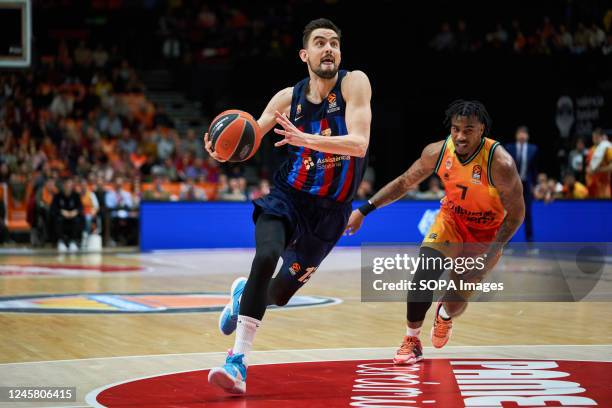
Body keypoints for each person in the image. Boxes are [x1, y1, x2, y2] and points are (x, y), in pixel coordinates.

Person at [204, 18, 372, 394]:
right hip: (288, 197)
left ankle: (240, 296)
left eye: (334, 43)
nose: (328, 48)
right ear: (304, 54)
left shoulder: (354, 83)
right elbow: (251, 135)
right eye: (319, 42)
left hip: (330, 213)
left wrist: (307, 139)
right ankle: (237, 363)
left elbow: (359, 143)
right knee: (265, 256)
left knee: (278, 294)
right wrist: (221, 149)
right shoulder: (286, 99)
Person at [345, 100, 524, 365]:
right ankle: (412, 339)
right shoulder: (438, 152)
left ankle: (445, 316)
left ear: (482, 130)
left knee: (455, 302)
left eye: (468, 130)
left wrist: (492, 251)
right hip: (451, 220)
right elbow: (405, 181)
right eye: (455, 129)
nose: (460, 136)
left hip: (486, 233)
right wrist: (364, 210)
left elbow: (517, 215)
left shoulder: (500, 164)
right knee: (425, 270)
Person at [504, 126, 537, 242]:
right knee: (510, 213)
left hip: (526, 185)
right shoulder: (509, 148)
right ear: (516, 135)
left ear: (527, 136)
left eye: (524, 133)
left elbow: (534, 170)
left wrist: (535, 185)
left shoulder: (533, 149)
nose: (522, 135)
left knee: (527, 212)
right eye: (520, 133)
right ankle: (507, 241)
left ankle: (530, 239)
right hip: (512, 185)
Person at [51, 178, 84, 252]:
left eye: (69, 185)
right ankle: (61, 241)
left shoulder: (76, 195)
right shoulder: (57, 196)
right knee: (58, 220)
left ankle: (73, 241)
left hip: (73, 216)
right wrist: (61, 211)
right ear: (63, 186)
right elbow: (53, 208)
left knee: (78, 220)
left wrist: (75, 211)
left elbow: (80, 207)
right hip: (61, 216)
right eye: (66, 185)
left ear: (72, 186)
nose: (68, 187)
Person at [585, 128, 612, 198]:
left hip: (604, 186)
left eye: (596, 137)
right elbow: (588, 166)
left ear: (602, 137)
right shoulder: (591, 150)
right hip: (592, 186)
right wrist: (588, 170)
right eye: (593, 137)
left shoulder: (607, 149)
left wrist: (598, 170)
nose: (594, 139)